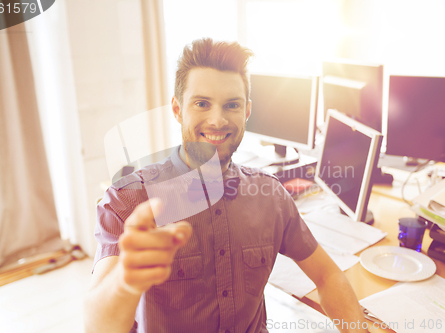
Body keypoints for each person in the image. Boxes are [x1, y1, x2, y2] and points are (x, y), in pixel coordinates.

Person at [84, 38, 368, 333]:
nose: (217, 120)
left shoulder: (270, 196)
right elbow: (97, 325)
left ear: (246, 111)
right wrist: (125, 280)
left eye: (231, 105)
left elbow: (327, 276)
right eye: (202, 103)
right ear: (178, 109)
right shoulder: (128, 201)